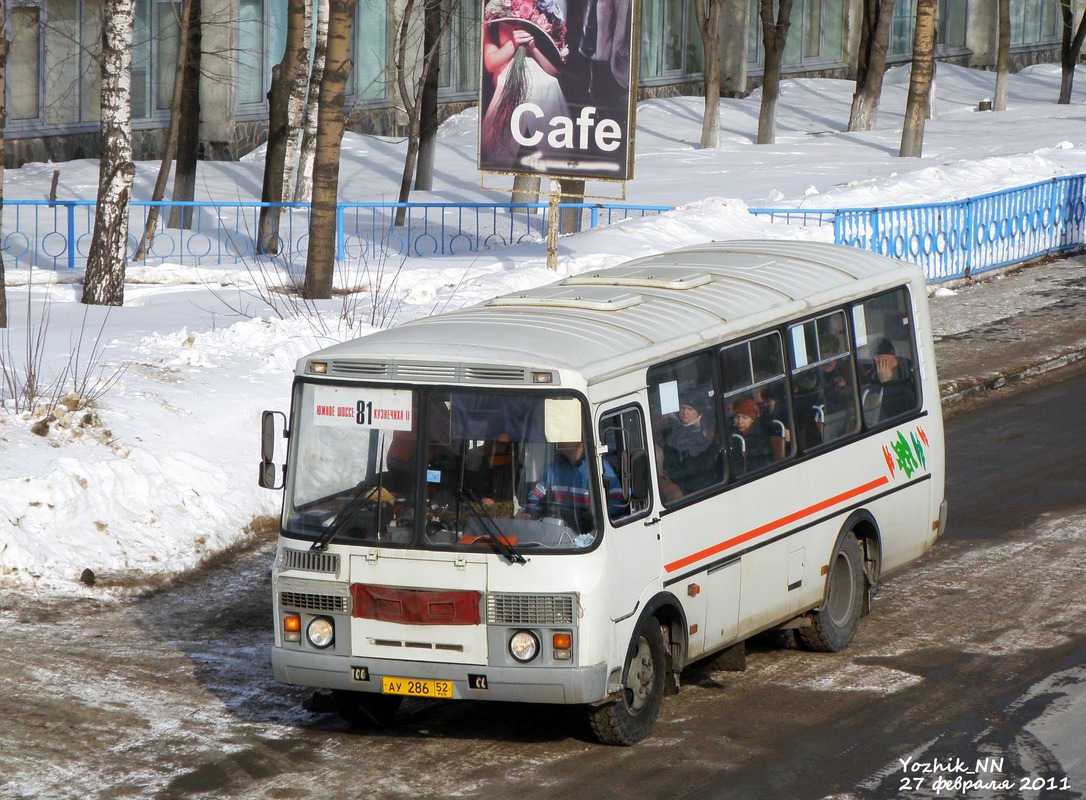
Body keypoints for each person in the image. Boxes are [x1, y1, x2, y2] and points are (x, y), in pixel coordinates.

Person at [481, 13, 570, 170]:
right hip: (509, 75)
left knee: (546, 86)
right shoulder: (494, 18)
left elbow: (556, 71)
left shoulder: (546, 15)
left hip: (541, 78)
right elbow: (490, 63)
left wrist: (534, 48)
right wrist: (513, 44)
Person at [519, 440, 622, 533]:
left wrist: (598, 510)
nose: (565, 445)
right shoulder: (553, 469)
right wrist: (526, 512)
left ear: (581, 442)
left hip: (591, 530)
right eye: (563, 441)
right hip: (558, 527)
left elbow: (620, 501)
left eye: (569, 439)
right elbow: (535, 496)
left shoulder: (600, 467)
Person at [659, 390, 721, 496]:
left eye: (690, 409)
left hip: (699, 486)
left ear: (698, 412)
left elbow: (699, 465)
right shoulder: (673, 430)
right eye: (682, 408)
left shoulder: (705, 430)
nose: (685, 412)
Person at [865, 337, 917, 420]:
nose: (876, 359)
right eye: (874, 356)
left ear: (891, 354)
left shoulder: (907, 370)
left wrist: (886, 382)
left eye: (879, 354)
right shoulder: (873, 374)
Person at [728, 396, 774, 476]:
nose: (740, 422)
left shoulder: (760, 436)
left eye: (745, 417)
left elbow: (765, 463)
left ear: (752, 419)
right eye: (736, 417)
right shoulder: (731, 435)